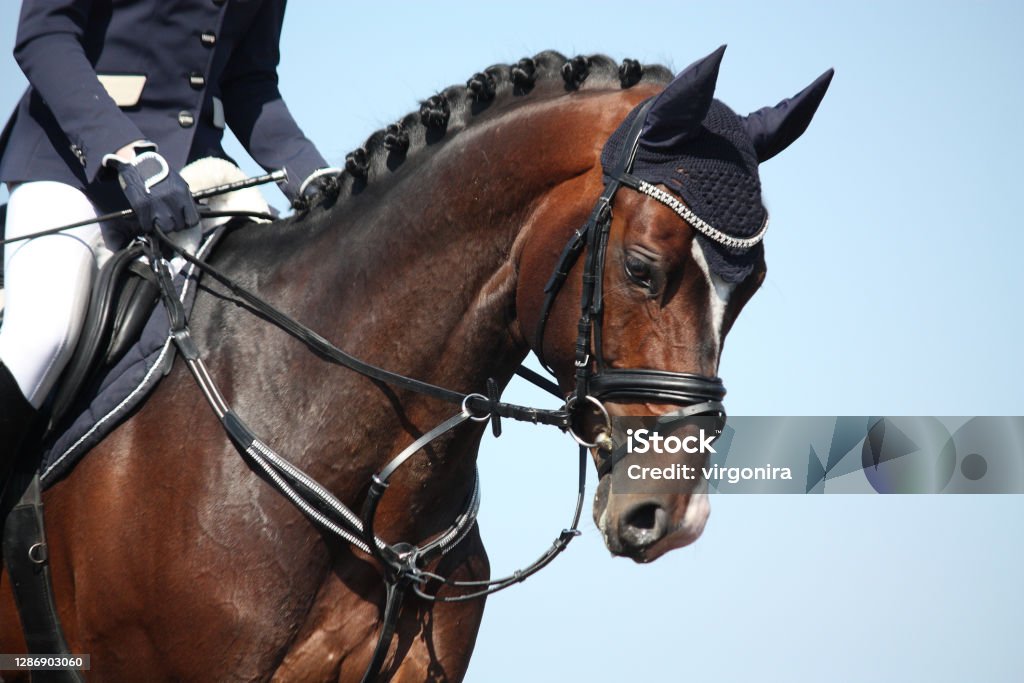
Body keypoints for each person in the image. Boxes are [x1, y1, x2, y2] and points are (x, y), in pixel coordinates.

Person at [0, 0, 338, 487]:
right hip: (74, 164)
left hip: (189, 183)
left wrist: (313, 176)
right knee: (44, 335)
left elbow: (250, 80)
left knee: (274, 315)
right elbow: (43, 35)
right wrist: (125, 150)